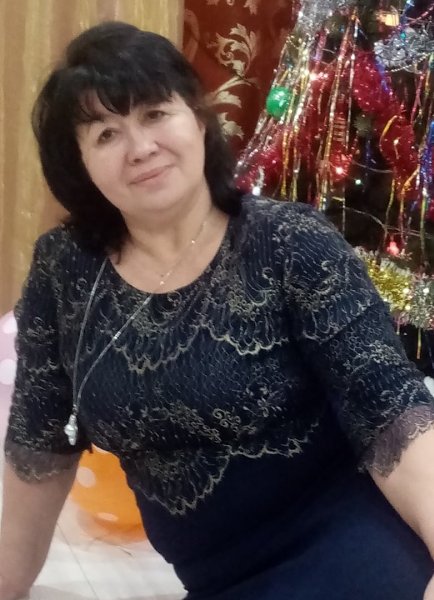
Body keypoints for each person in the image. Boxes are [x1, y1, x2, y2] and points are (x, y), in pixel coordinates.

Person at [0, 20, 433, 600]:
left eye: (155, 113)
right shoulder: (65, 269)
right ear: (78, 162)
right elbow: (39, 446)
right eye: (105, 134)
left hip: (348, 547)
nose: (141, 148)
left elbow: (392, 412)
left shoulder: (290, 243)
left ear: (199, 117)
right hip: (219, 578)